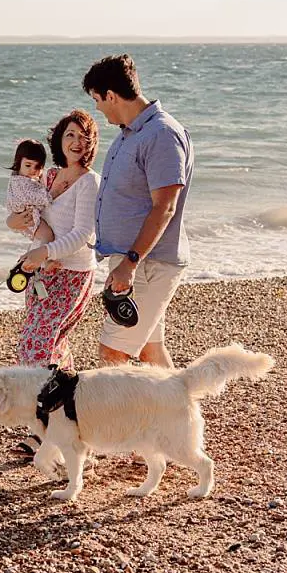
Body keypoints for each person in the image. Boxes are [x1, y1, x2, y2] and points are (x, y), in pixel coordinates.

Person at [84, 53, 194, 368]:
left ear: (111, 95)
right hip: (135, 261)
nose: (97, 107)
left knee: (113, 352)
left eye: (97, 99)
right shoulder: (129, 134)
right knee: (149, 351)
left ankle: (124, 418)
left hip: (147, 262)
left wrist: (130, 263)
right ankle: (180, 416)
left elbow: (165, 207)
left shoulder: (162, 134)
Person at [4, 110, 101, 455]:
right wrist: (18, 225)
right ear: (59, 140)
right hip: (41, 275)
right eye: (70, 135)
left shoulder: (90, 182)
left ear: (92, 144)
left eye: (84, 137)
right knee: (52, 348)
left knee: (37, 346)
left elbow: (81, 235)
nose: (77, 142)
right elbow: (25, 220)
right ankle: (72, 423)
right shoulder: (48, 177)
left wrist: (44, 252)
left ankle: (44, 430)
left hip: (72, 275)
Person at [5, 139, 53, 243]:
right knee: (47, 236)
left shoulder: (19, 177)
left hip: (25, 216)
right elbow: (37, 198)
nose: (33, 170)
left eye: (38, 166)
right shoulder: (21, 182)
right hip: (28, 217)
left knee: (40, 239)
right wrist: (55, 193)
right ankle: (47, 259)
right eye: (28, 165)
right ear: (18, 162)